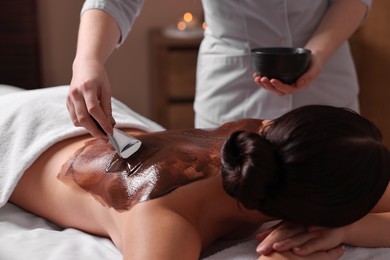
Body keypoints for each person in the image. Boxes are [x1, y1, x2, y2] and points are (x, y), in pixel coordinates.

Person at [2, 86, 390, 259]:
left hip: (104, 123)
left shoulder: (265, 137)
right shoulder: (164, 222)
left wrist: (344, 230)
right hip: (18, 131)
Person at [67, 0, 372, 137]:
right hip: (232, 90)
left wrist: (316, 54)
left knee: (336, 201)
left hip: (327, 80)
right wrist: (87, 61)